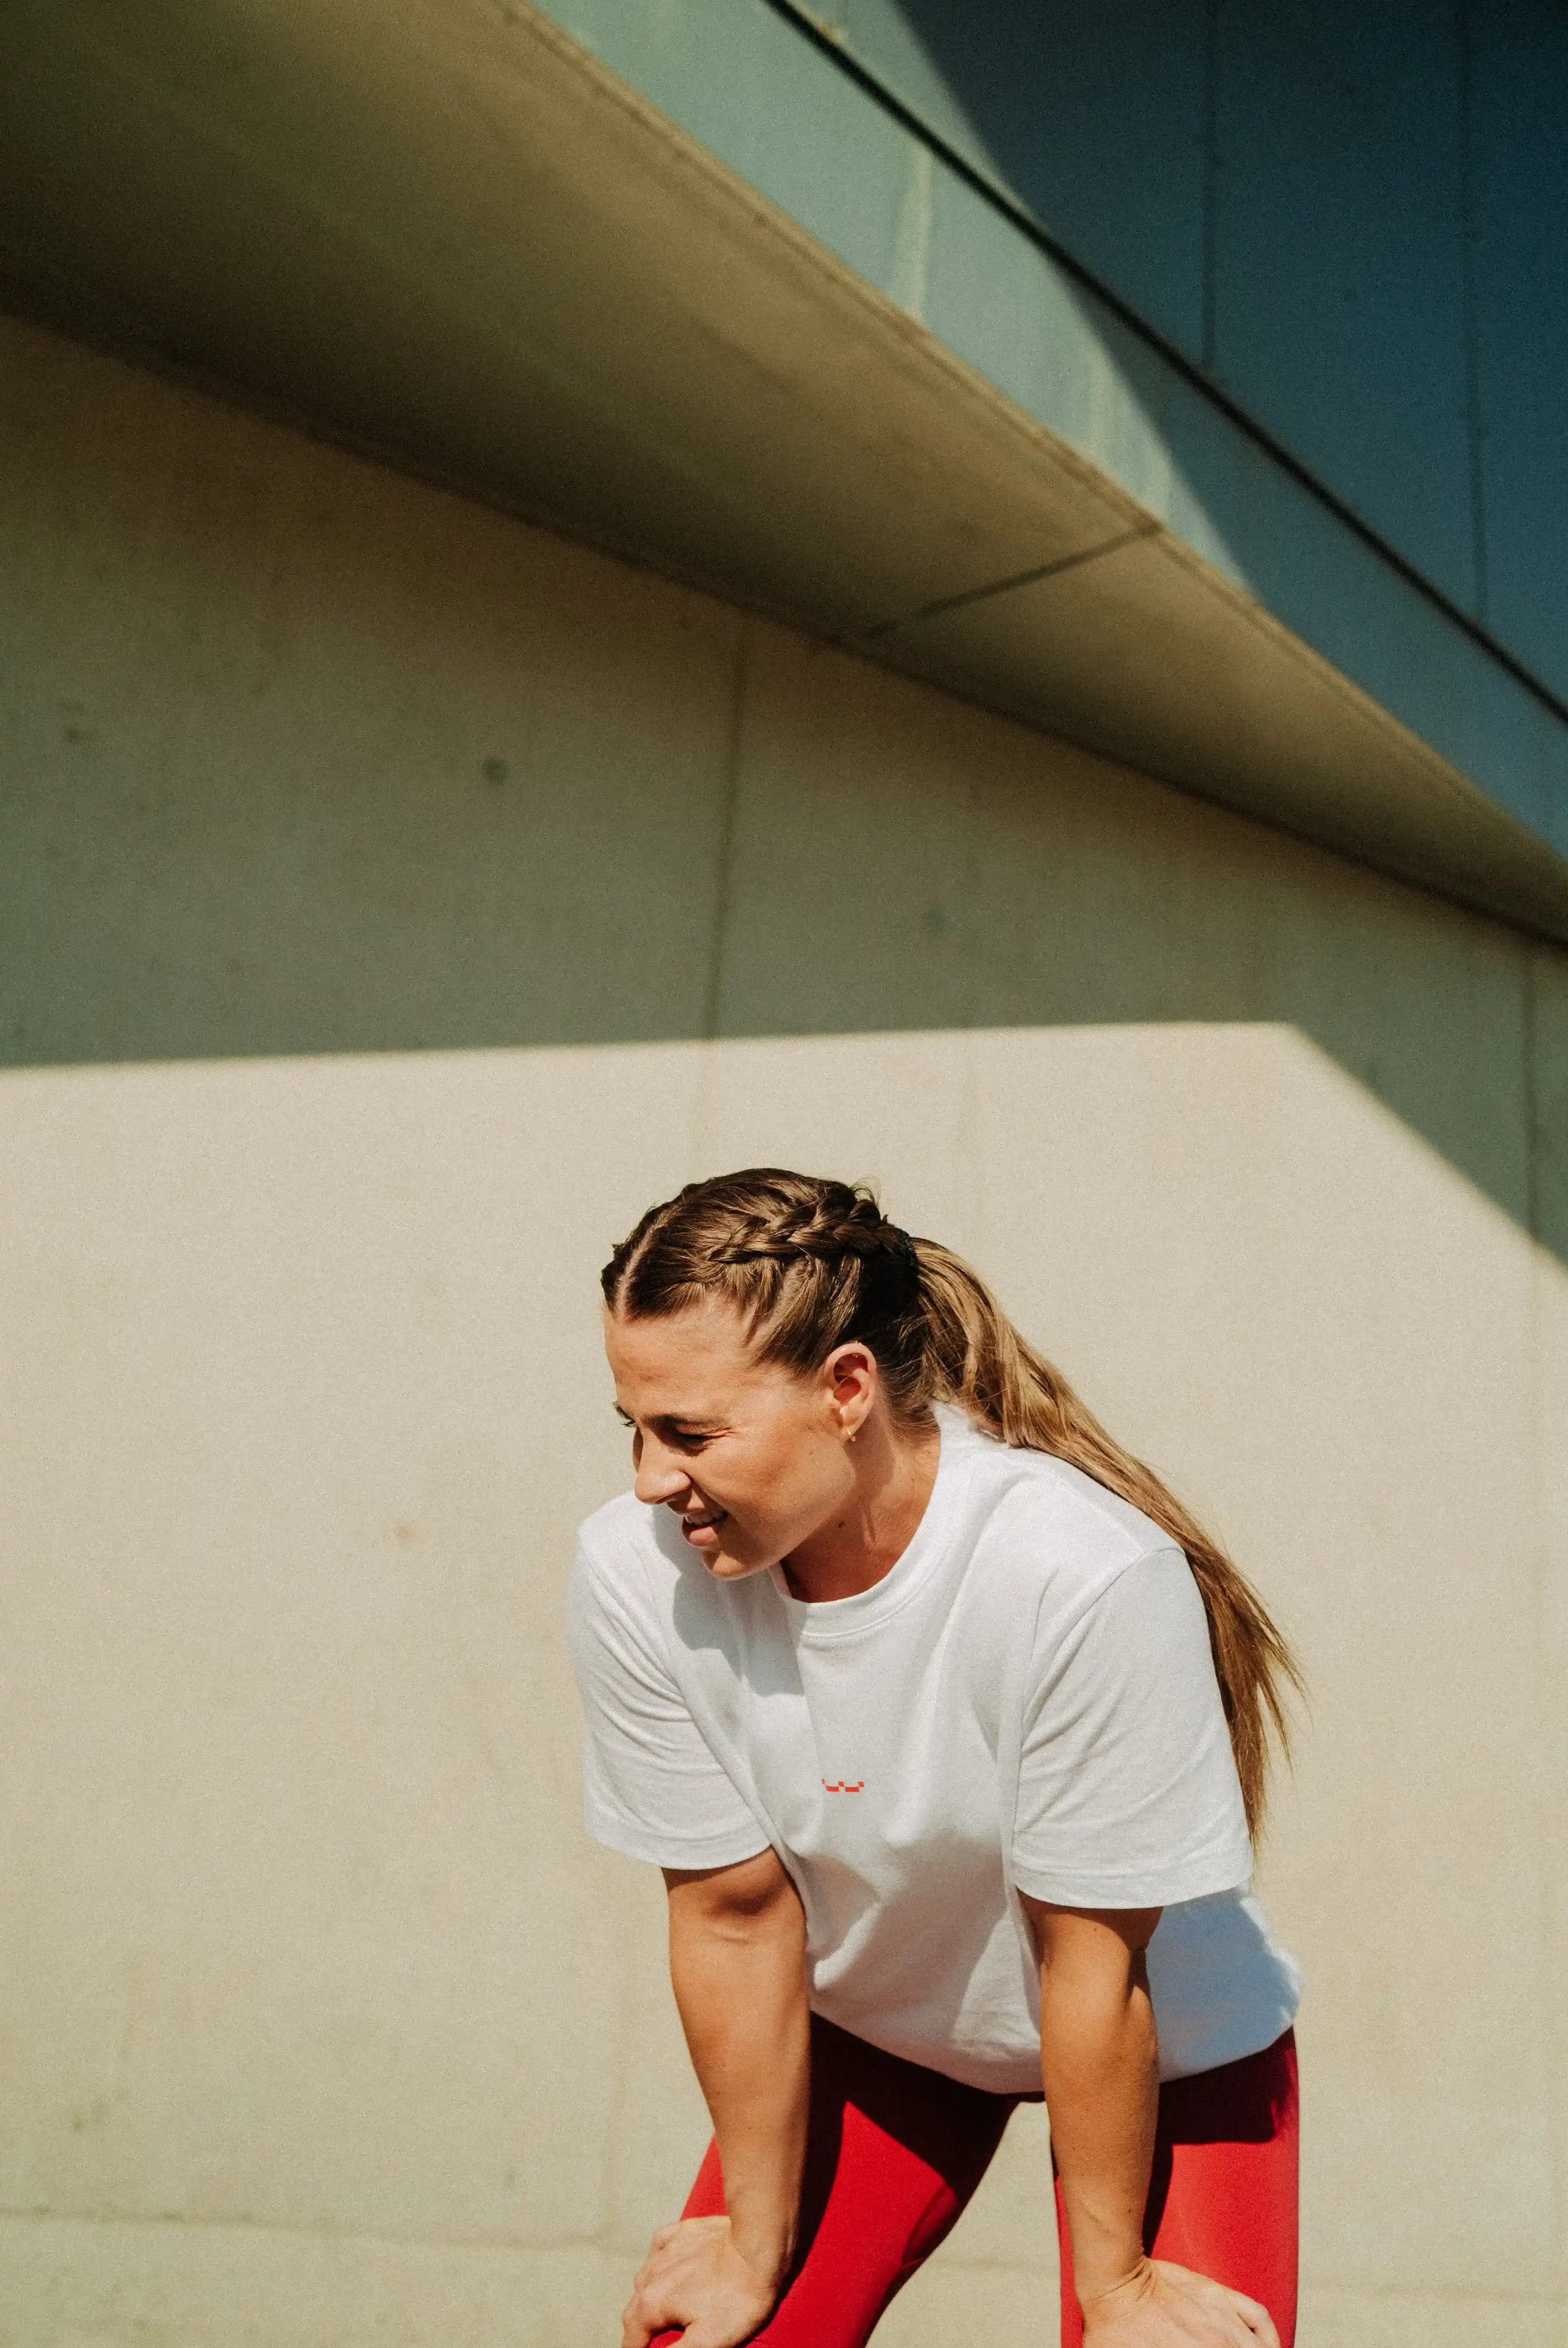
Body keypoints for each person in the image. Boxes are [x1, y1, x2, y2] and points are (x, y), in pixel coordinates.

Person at [570, 1169, 1302, 2348]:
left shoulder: (1078, 1574)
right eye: (636, 1427)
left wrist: (1118, 2289)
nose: (653, 1478)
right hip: (880, 2022)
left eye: (691, 1432)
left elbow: (1092, 1964)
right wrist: (750, 2247)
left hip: (1157, 2041)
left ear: (845, 1387)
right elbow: (731, 1912)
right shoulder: (634, 1572)